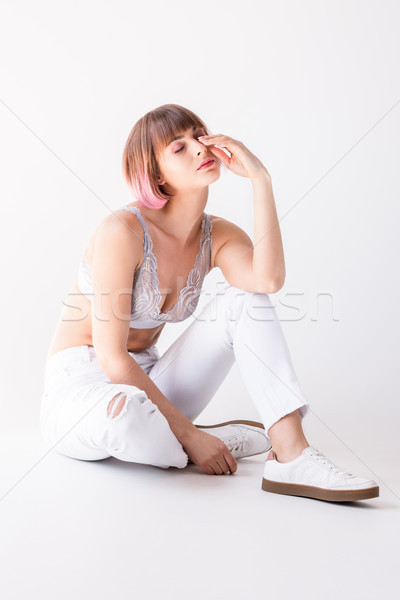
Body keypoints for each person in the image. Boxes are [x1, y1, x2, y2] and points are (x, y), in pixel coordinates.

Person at [40, 103, 379, 503]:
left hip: (150, 381)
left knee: (245, 300)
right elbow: (112, 358)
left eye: (199, 136)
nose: (199, 148)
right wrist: (190, 434)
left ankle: (291, 454)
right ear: (155, 174)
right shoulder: (123, 230)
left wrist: (260, 178)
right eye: (178, 147)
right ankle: (201, 439)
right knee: (130, 422)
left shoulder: (216, 235)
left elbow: (267, 280)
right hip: (81, 386)